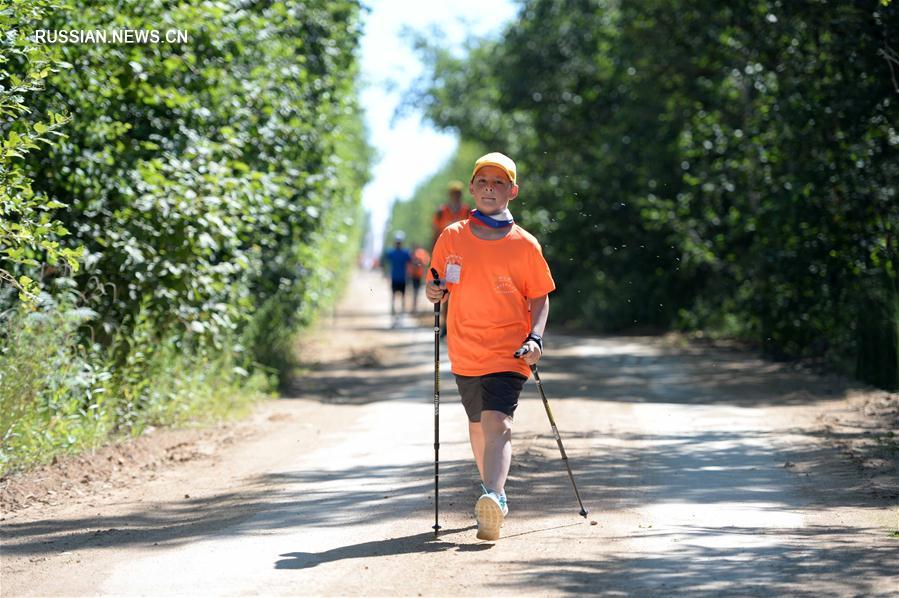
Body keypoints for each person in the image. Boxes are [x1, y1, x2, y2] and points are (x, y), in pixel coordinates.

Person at [426, 152, 555, 541]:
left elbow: (540, 297)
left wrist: (535, 338)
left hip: (508, 351)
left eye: (498, 182)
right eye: (482, 181)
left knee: (498, 422)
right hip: (465, 349)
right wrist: (433, 291)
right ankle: (491, 492)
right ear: (471, 189)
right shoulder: (452, 236)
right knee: (478, 425)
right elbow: (438, 286)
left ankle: (494, 498)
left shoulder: (525, 245)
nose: (489, 188)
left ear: (512, 191)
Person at [432, 181, 470, 336]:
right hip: (447, 260)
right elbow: (435, 234)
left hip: (465, 259)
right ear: (450, 195)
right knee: (447, 292)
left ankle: (461, 325)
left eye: (458, 193)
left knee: (464, 292)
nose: (456, 196)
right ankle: (446, 325)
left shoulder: (467, 211)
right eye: (453, 193)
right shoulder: (441, 212)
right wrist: (434, 256)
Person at [383, 231, 412, 315]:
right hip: (398, 278)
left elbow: (385, 258)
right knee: (395, 295)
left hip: (400, 278)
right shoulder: (404, 253)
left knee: (398, 295)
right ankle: (395, 310)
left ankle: (398, 310)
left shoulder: (394, 252)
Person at [408, 244, 430, 313]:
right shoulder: (415, 254)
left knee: (416, 290)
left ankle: (415, 306)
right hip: (415, 275)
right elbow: (425, 263)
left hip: (417, 275)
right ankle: (415, 306)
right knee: (416, 290)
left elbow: (424, 263)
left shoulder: (418, 253)